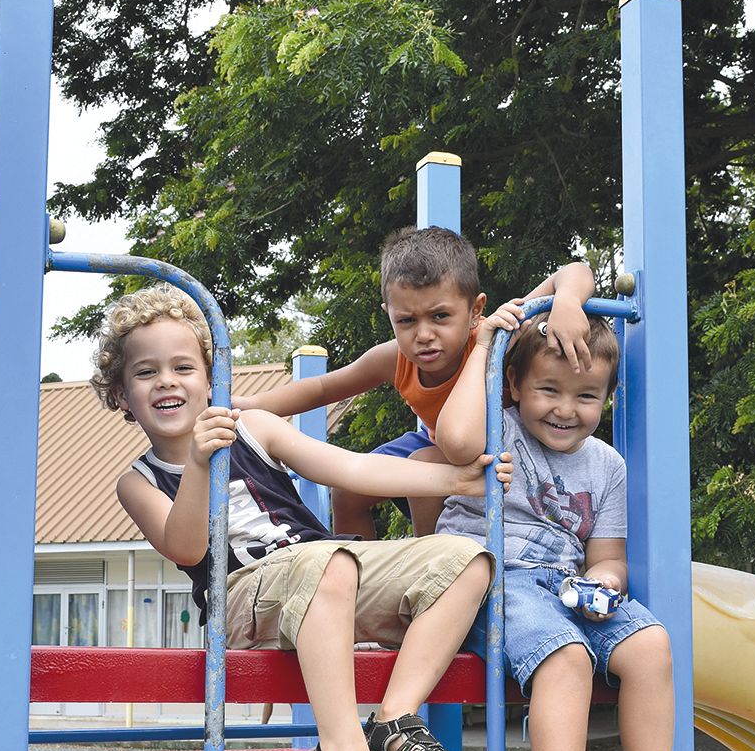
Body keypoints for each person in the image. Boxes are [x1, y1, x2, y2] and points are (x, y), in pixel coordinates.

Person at [93, 285, 511, 751]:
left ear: (210, 378)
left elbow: (350, 468)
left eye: (183, 367)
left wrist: (457, 481)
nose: (167, 381)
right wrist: (195, 462)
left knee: (465, 558)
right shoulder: (137, 480)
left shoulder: (255, 428)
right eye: (147, 372)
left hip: (324, 577)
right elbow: (187, 549)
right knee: (329, 561)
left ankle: (394, 717)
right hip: (242, 594)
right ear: (121, 395)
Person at [433, 307, 704, 751]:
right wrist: (485, 345)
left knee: (650, 644)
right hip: (485, 575)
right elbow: (451, 439)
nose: (565, 408)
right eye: (548, 389)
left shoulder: (606, 465)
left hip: (563, 582)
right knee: (567, 656)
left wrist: (603, 584)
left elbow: (606, 555)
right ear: (514, 387)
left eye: (586, 395)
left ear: (606, 398)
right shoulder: (495, 429)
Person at [245, 225, 595, 537]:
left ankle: (427, 563)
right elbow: (323, 388)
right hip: (434, 442)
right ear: (389, 316)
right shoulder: (392, 357)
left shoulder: (497, 338)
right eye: (407, 321)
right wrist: (242, 406)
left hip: (497, 449)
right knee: (347, 492)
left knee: (423, 463)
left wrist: (566, 302)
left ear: (475, 311)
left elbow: (575, 271)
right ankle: (366, 587)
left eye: (440, 316)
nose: (424, 334)